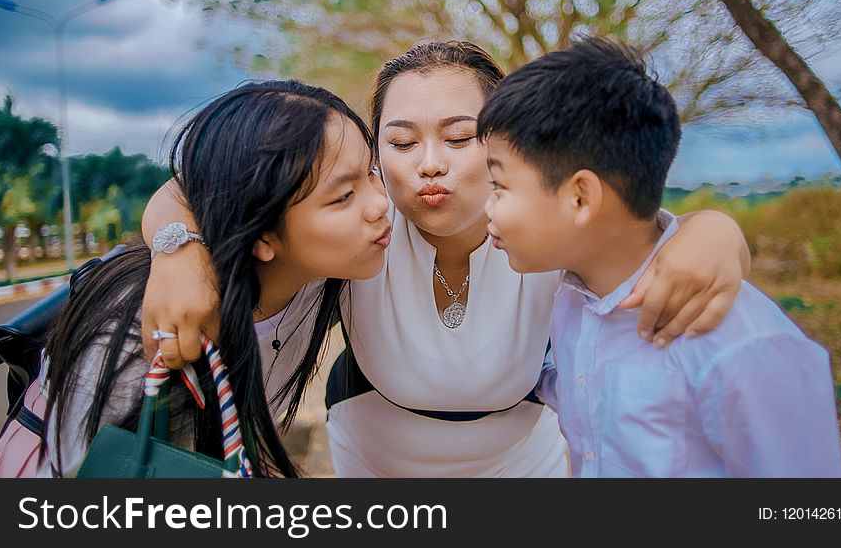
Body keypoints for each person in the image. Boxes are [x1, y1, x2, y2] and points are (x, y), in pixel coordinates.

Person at [140, 41, 754, 477]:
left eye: (459, 138)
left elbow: (636, 234)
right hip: (374, 462)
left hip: (523, 464)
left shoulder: (541, 231)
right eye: (402, 142)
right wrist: (178, 254)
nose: (428, 163)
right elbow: (190, 184)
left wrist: (714, 229)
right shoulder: (361, 227)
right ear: (375, 155)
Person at [479, 36, 841, 477]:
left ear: (580, 198)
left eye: (499, 186)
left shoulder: (745, 348)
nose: (488, 206)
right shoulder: (571, 304)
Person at [0, 79, 390, 477]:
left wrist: (176, 249)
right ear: (261, 232)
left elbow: (188, 184)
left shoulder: (320, 273)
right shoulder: (142, 333)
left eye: (372, 172)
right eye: (343, 196)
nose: (380, 204)